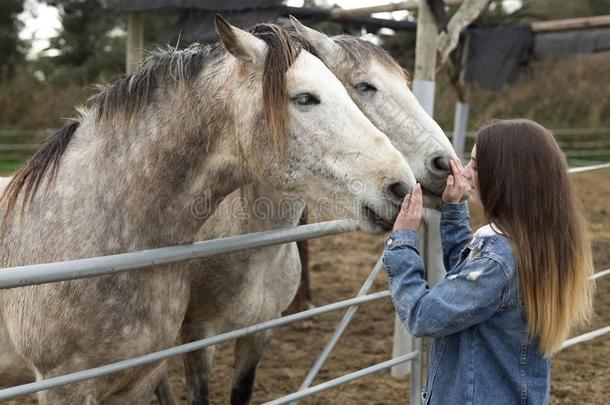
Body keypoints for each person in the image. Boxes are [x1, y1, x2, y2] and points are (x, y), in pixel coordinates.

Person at [383, 119, 595, 405]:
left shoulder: (500, 260)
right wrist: (455, 209)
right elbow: (473, 285)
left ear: (506, 176)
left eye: (475, 165)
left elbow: (423, 315)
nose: (466, 174)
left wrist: (403, 241)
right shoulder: (537, 242)